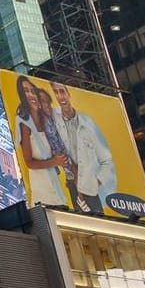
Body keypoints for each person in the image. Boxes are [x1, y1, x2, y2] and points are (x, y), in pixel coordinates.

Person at [50, 82, 116, 215]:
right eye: (56, 92)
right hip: (72, 185)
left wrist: (96, 181)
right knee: (81, 228)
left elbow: (107, 161)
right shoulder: (54, 120)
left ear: (69, 94)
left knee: (100, 225)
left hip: (89, 188)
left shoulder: (86, 124)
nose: (60, 96)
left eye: (62, 91)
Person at [14, 75, 71, 208]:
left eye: (32, 90)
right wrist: (54, 162)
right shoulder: (24, 124)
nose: (31, 95)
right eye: (26, 91)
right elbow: (29, 162)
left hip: (57, 188)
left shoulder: (47, 120)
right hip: (42, 192)